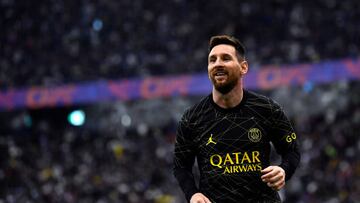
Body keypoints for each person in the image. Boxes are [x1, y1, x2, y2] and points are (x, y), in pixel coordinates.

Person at [173, 35, 300, 203]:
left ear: (243, 67)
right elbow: (181, 166)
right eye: (212, 60)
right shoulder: (192, 118)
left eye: (225, 58)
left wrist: (284, 170)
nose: (217, 63)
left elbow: (292, 150)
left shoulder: (267, 109)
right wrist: (193, 194)